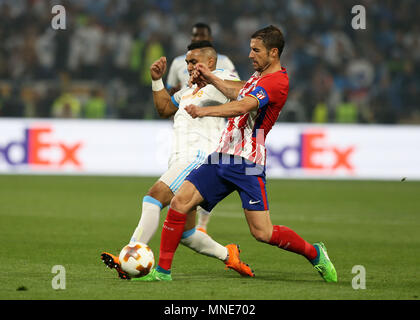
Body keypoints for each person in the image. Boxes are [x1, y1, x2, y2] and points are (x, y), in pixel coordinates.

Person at [137, 25, 338, 283]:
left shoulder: (278, 81)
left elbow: (243, 105)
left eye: (256, 50)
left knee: (262, 232)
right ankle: (162, 273)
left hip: (248, 162)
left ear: (274, 53)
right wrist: (210, 76)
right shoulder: (256, 76)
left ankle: (314, 252)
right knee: (180, 203)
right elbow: (236, 93)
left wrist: (204, 111)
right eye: (250, 49)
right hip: (222, 154)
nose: (250, 55)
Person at [101, 40, 254, 280]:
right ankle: (229, 255)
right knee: (185, 232)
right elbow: (163, 108)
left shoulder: (220, 79)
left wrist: (213, 79)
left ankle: (129, 255)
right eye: (187, 63)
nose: (189, 67)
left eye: (194, 62)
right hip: (180, 158)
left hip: (199, 156)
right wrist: (157, 80)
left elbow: (247, 91)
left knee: (153, 198)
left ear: (210, 62)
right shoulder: (187, 90)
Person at [165, 23, 238, 233]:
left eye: (202, 35)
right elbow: (173, 90)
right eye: (195, 34)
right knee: (187, 175)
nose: (198, 38)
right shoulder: (179, 62)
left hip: (213, 125)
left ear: (210, 38)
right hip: (187, 124)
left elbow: (235, 88)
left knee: (205, 173)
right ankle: (189, 225)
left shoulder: (223, 62)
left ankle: (202, 226)